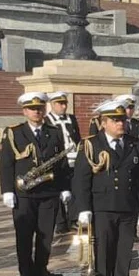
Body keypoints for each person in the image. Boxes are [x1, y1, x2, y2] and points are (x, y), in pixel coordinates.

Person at [73, 101, 139, 276]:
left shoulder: (134, 142)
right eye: (116, 121)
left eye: (123, 120)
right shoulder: (90, 144)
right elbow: (81, 179)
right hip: (103, 206)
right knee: (104, 250)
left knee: (124, 249)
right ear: (104, 122)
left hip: (128, 204)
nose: (121, 124)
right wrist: (83, 208)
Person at [0, 92, 73, 276]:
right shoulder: (14, 132)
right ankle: (26, 272)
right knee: (24, 234)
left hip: (49, 190)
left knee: (46, 233)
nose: (36, 112)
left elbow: (61, 163)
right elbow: (6, 163)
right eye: (32, 109)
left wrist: (65, 187)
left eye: (40, 108)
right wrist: (7, 190)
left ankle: (42, 268)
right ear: (24, 111)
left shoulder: (54, 131)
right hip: (24, 192)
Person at [46, 91, 82, 234]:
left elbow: (77, 137)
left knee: (75, 189)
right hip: (58, 160)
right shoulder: (47, 120)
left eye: (65, 103)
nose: (63, 106)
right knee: (58, 189)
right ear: (52, 104)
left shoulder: (71, 118)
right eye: (59, 104)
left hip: (74, 158)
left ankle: (73, 219)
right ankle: (60, 222)